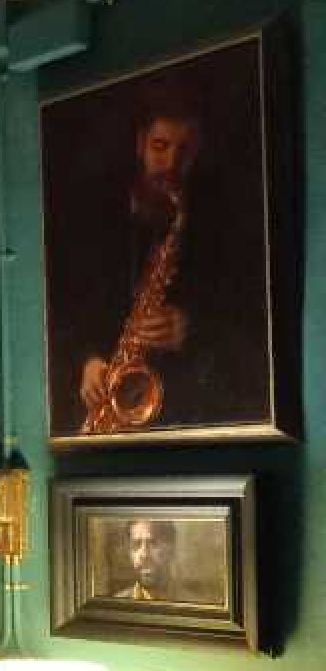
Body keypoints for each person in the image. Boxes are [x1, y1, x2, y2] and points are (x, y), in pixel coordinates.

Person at [46, 74, 268, 435]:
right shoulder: (93, 215)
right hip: (99, 397)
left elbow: (250, 316)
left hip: (183, 406)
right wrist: (86, 361)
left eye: (185, 151)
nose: (171, 164)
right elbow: (60, 311)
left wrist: (191, 327)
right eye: (160, 147)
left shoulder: (219, 223)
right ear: (140, 144)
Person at [113, 519, 176, 602]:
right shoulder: (116, 603)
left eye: (153, 543)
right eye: (136, 545)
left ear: (171, 550)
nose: (144, 555)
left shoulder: (189, 603)